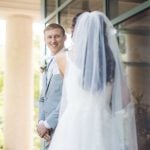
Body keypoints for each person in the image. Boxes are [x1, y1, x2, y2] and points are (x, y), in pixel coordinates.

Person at [48, 11, 138, 150]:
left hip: (73, 124)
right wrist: (103, 103)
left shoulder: (62, 59)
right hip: (102, 123)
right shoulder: (110, 63)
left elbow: (65, 95)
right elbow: (125, 100)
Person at [37, 23, 67, 150]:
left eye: (57, 36)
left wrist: (48, 123)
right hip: (48, 131)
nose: (53, 41)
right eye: (49, 37)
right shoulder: (47, 62)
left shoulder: (69, 61)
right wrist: (41, 122)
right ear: (44, 40)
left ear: (65, 38)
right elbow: (43, 97)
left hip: (64, 125)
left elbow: (70, 97)